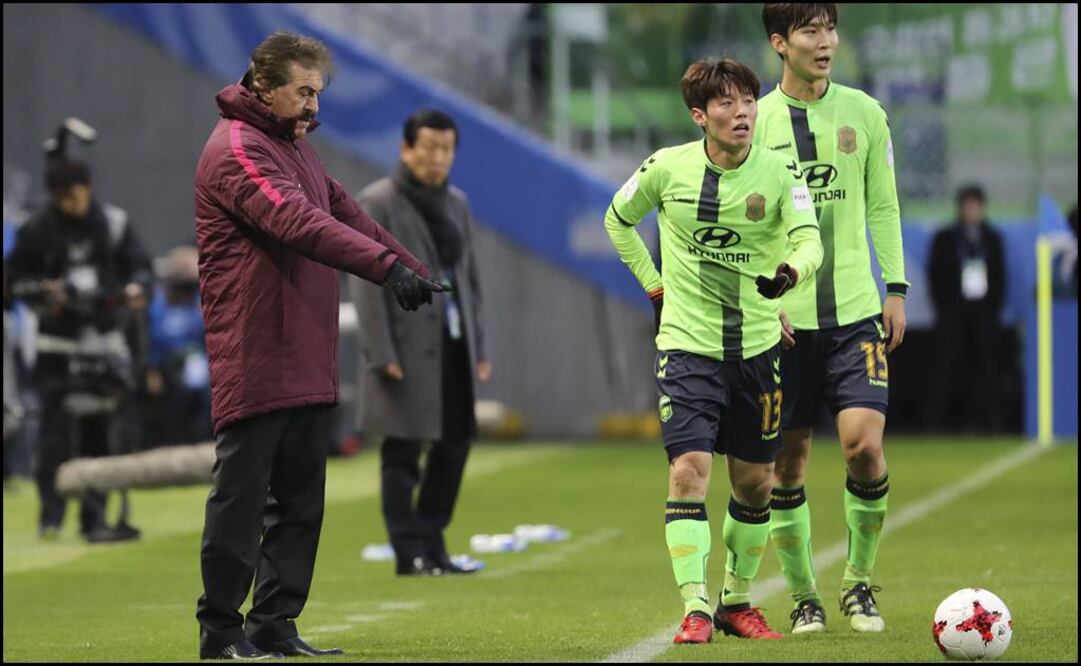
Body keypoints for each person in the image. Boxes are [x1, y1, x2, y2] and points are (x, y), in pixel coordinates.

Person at [193, 31, 443, 660]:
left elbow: (344, 211)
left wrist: (409, 266)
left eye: (317, 93)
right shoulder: (238, 149)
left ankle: (274, 623)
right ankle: (220, 630)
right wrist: (385, 272)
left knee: (301, 501)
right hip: (255, 348)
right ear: (264, 87)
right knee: (242, 499)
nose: (313, 106)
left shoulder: (294, 148)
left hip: (304, 348)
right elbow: (299, 223)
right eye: (303, 92)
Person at [605, 58, 822, 643]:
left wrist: (790, 274)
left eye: (749, 100)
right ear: (700, 115)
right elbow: (617, 219)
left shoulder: (781, 174)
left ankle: (736, 600)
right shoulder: (666, 168)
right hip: (687, 348)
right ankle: (696, 607)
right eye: (726, 103)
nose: (743, 112)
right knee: (689, 471)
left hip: (757, 348)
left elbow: (809, 241)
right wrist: (654, 286)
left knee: (755, 483)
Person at [755, 3, 908, 634]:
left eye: (830, 29)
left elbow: (882, 205)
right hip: (785, 324)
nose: (826, 42)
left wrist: (894, 288)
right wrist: (762, 306)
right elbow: (747, 224)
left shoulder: (865, 113)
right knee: (786, 466)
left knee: (864, 448)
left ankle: (859, 584)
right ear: (779, 43)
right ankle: (804, 598)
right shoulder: (755, 122)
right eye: (811, 31)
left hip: (853, 314)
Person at [352, 109, 490, 576]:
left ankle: (433, 542)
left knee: (455, 444)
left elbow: (469, 281)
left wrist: (481, 348)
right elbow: (366, 284)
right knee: (403, 451)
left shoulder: (458, 202)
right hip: (404, 348)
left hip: (452, 344)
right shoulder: (378, 201)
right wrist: (381, 352)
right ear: (406, 148)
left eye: (446, 149)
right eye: (428, 147)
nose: (437, 158)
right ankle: (407, 550)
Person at [4, 159, 152, 543]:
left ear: (87, 186)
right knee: (55, 435)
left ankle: (95, 519)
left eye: (72, 193)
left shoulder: (114, 225)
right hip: (57, 347)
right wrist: (42, 291)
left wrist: (134, 291)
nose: (67, 203)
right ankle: (51, 516)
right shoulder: (37, 230)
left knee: (101, 437)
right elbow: (12, 281)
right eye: (60, 196)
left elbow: (141, 269)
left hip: (105, 346)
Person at [926, 185, 1006, 433]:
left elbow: (1001, 277)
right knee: (946, 367)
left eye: (976, 205)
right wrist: (945, 308)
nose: (971, 210)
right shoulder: (946, 238)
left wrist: (992, 310)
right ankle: (933, 422)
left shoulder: (992, 239)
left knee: (985, 368)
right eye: (967, 205)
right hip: (953, 313)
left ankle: (989, 423)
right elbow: (935, 276)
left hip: (983, 314)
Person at [143, 245, 212, 446]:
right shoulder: (158, 306)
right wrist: (152, 370)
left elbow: (207, 337)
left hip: (199, 365)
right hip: (168, 368)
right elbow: (153, 340)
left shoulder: (201, 303)